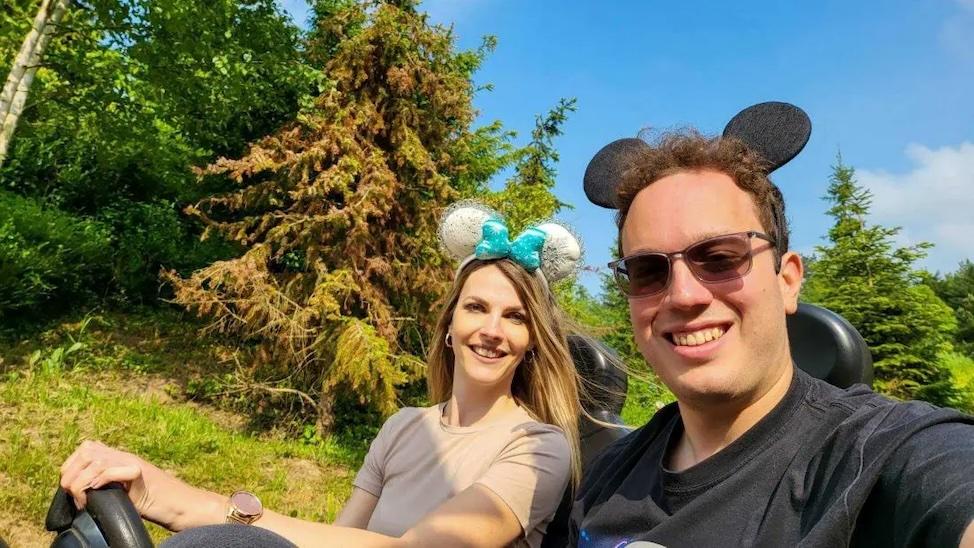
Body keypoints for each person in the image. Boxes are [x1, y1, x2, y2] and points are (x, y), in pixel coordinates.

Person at [59, 203, 585, 547]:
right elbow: (338, 539)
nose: (492, 329)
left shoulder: (539, 447)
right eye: (476, 308)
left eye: (515, 316)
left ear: (532, 340)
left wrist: (195, 505)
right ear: (449, 324)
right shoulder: (403, 427)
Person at [567, 104, 974, 547]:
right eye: (648, 270)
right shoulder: (609, 473)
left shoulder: (881, 455)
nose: (683, 295)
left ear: (787, 280)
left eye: (721, 257)